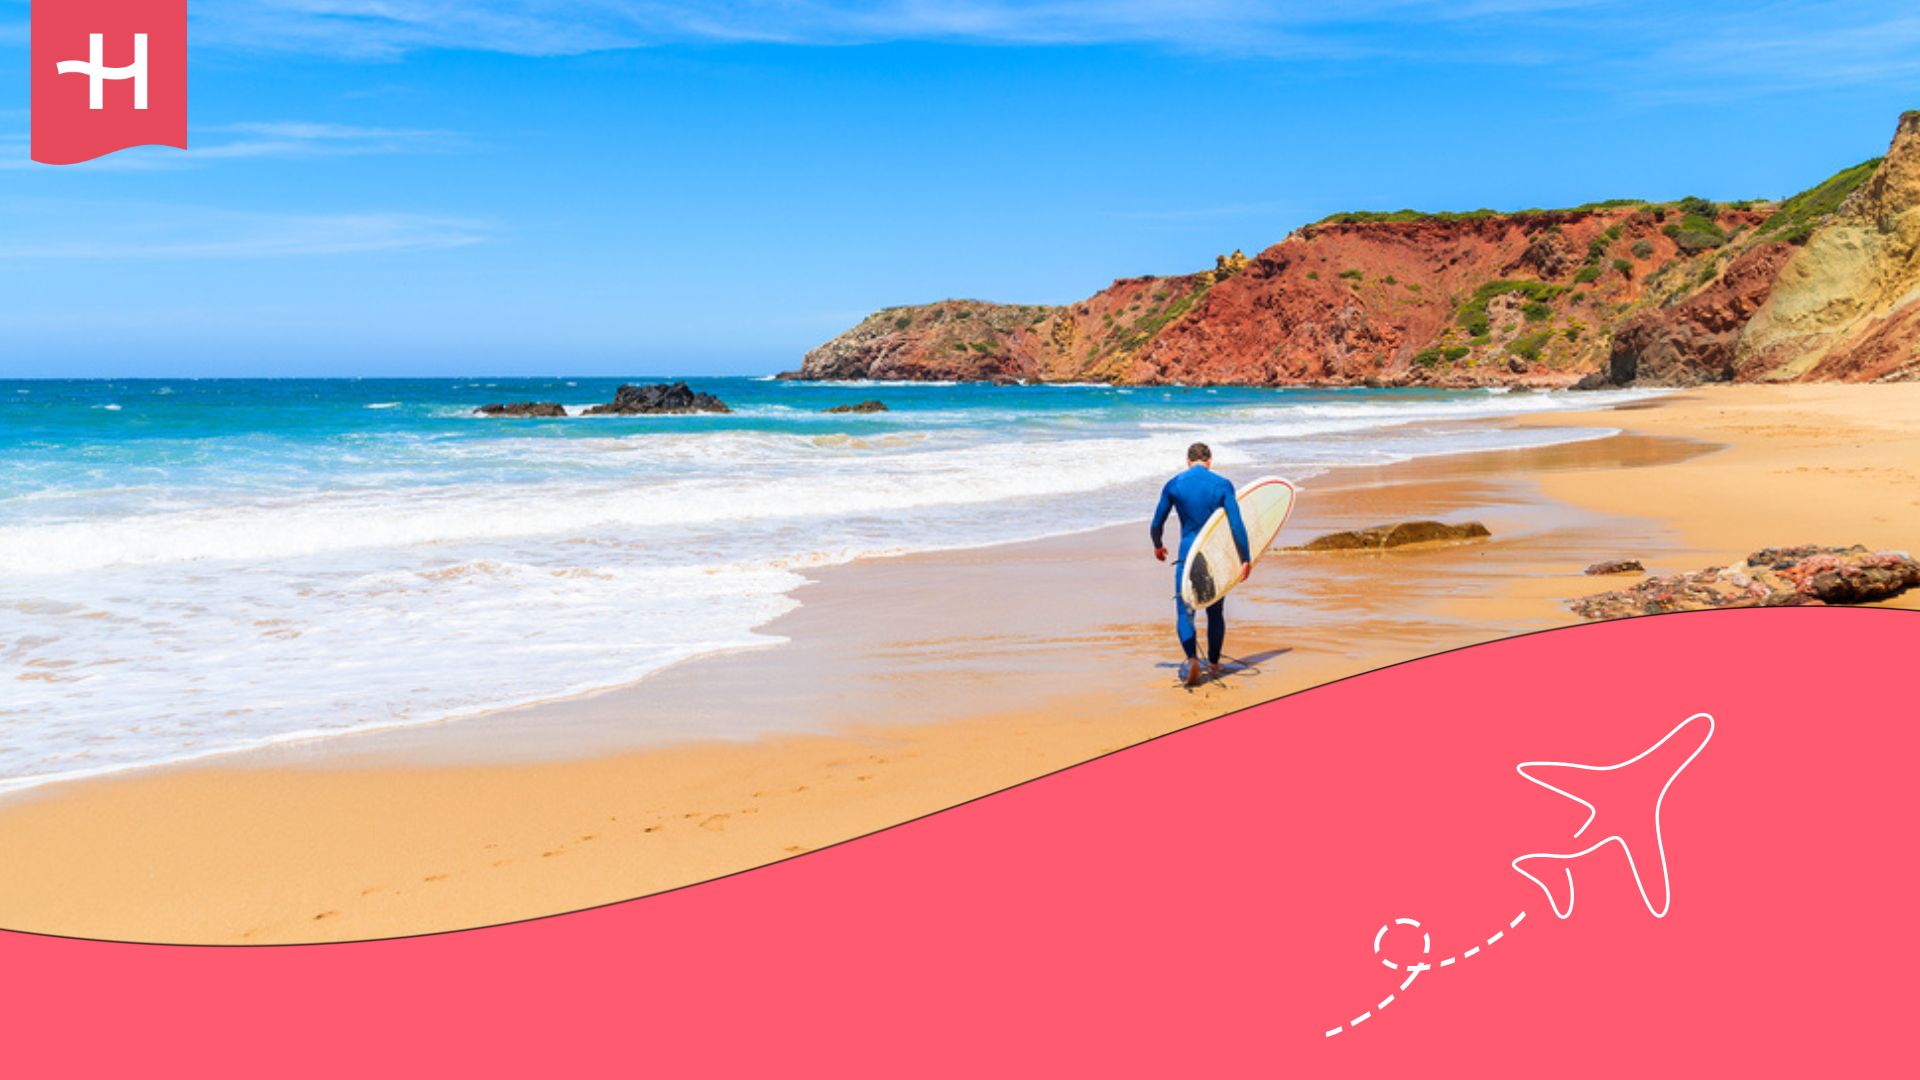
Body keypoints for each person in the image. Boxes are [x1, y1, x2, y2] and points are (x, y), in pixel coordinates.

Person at [1151, 442, 1251, 687]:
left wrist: (1158, 544)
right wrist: (1245, 557)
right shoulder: (1222, 485)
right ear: (1209, 461)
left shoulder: (1174, 484)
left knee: (1185, 610)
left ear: (1188, 461)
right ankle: (1215, 662)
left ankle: (1192, 659)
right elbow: (1237, 525)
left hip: (1187, 554)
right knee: (1215, 611)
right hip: (1212, 555)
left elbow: (1156, 523)